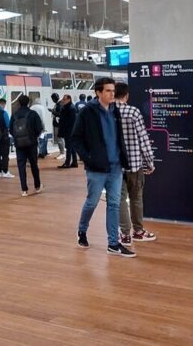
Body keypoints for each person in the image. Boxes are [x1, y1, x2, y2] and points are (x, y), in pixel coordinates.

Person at [71, 77, 135, 258]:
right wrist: (88, 158)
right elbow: (76, 138)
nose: (112, 94)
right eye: (108, 91)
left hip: (115, 167)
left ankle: (113, 243)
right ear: (98, 92)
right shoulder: (87, 112)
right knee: (92, 202)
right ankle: (82, 230)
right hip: (96, 168)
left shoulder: (116, 110)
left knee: (114, 204)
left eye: (113, 91)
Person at [114, 82, 156, 246]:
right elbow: (143, 140)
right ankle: (138, 232)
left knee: (120, 200)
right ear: (127, 95)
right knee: (136, 199)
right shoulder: (133, 112)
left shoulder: (107, 112)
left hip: (115, 166)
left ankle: (124, 235)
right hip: (134, 164)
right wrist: (149, 162)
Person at [10, 95, 44, 197]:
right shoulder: (32, 114)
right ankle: (37, 186)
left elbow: (11, 130)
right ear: (28, 103)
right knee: (34, 165)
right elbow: (39, 128)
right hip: (31, 144)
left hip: (19, 145)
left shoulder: (14, 115)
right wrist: (34, 137)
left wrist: (18, 138)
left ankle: (24, 190)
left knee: (21, 166)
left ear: (19, 103)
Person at [58, 94, 78, 168]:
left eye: (64, 99)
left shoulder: (71, 108)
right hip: (69, 130)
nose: (63, 100)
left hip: (69, 130)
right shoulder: (68, 107)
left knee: (69, 146)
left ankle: (67, 163)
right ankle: (74, 162)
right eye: (63, 99)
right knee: (71, 147)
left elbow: (71, 121)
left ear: (69, 99)